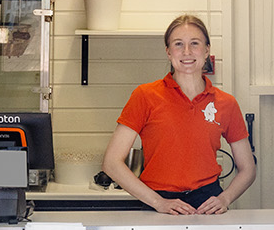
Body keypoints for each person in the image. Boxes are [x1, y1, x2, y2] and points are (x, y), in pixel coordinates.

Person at [103, 14, 256, 214]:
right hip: (157, 202)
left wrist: (225, 198)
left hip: (206, 206)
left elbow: (248, 168)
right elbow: (111, 163)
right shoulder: (145, 96)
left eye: (194, 43)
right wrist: (159, 203)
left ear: (207, 49)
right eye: (178, 44)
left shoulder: (226, 103)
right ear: (168, 51)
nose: (186, 52)